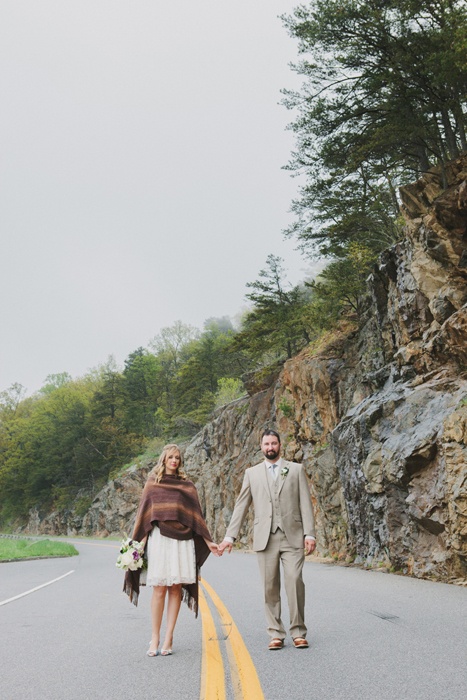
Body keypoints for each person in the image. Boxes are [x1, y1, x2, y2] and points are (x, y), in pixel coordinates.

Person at [219, 429, 316, 650]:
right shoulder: (252, 473)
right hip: (265, 538)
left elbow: (305, 503)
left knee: (294, 581)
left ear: (280, 445)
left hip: (293, 536)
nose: (270, 447)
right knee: (269, 586)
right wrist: (229, 537)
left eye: (273, 443)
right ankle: (276, 633)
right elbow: (241, 506)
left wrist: (309, 533)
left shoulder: (295, 470)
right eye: (266, 444)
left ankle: (298, 631)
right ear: (261, 447)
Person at [124, 444, 219, 657]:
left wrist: (208, 541)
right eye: (171, 458)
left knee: (175, 587)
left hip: (182, 542)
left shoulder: (187, 487)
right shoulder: (152, 485)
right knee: (159, 588)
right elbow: (145, 517)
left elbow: (197, 518)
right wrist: (138, 544)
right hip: (159, 540)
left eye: (177, 458)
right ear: (163, 460)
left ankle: (169, 637)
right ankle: (155, 637)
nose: (174, 461)